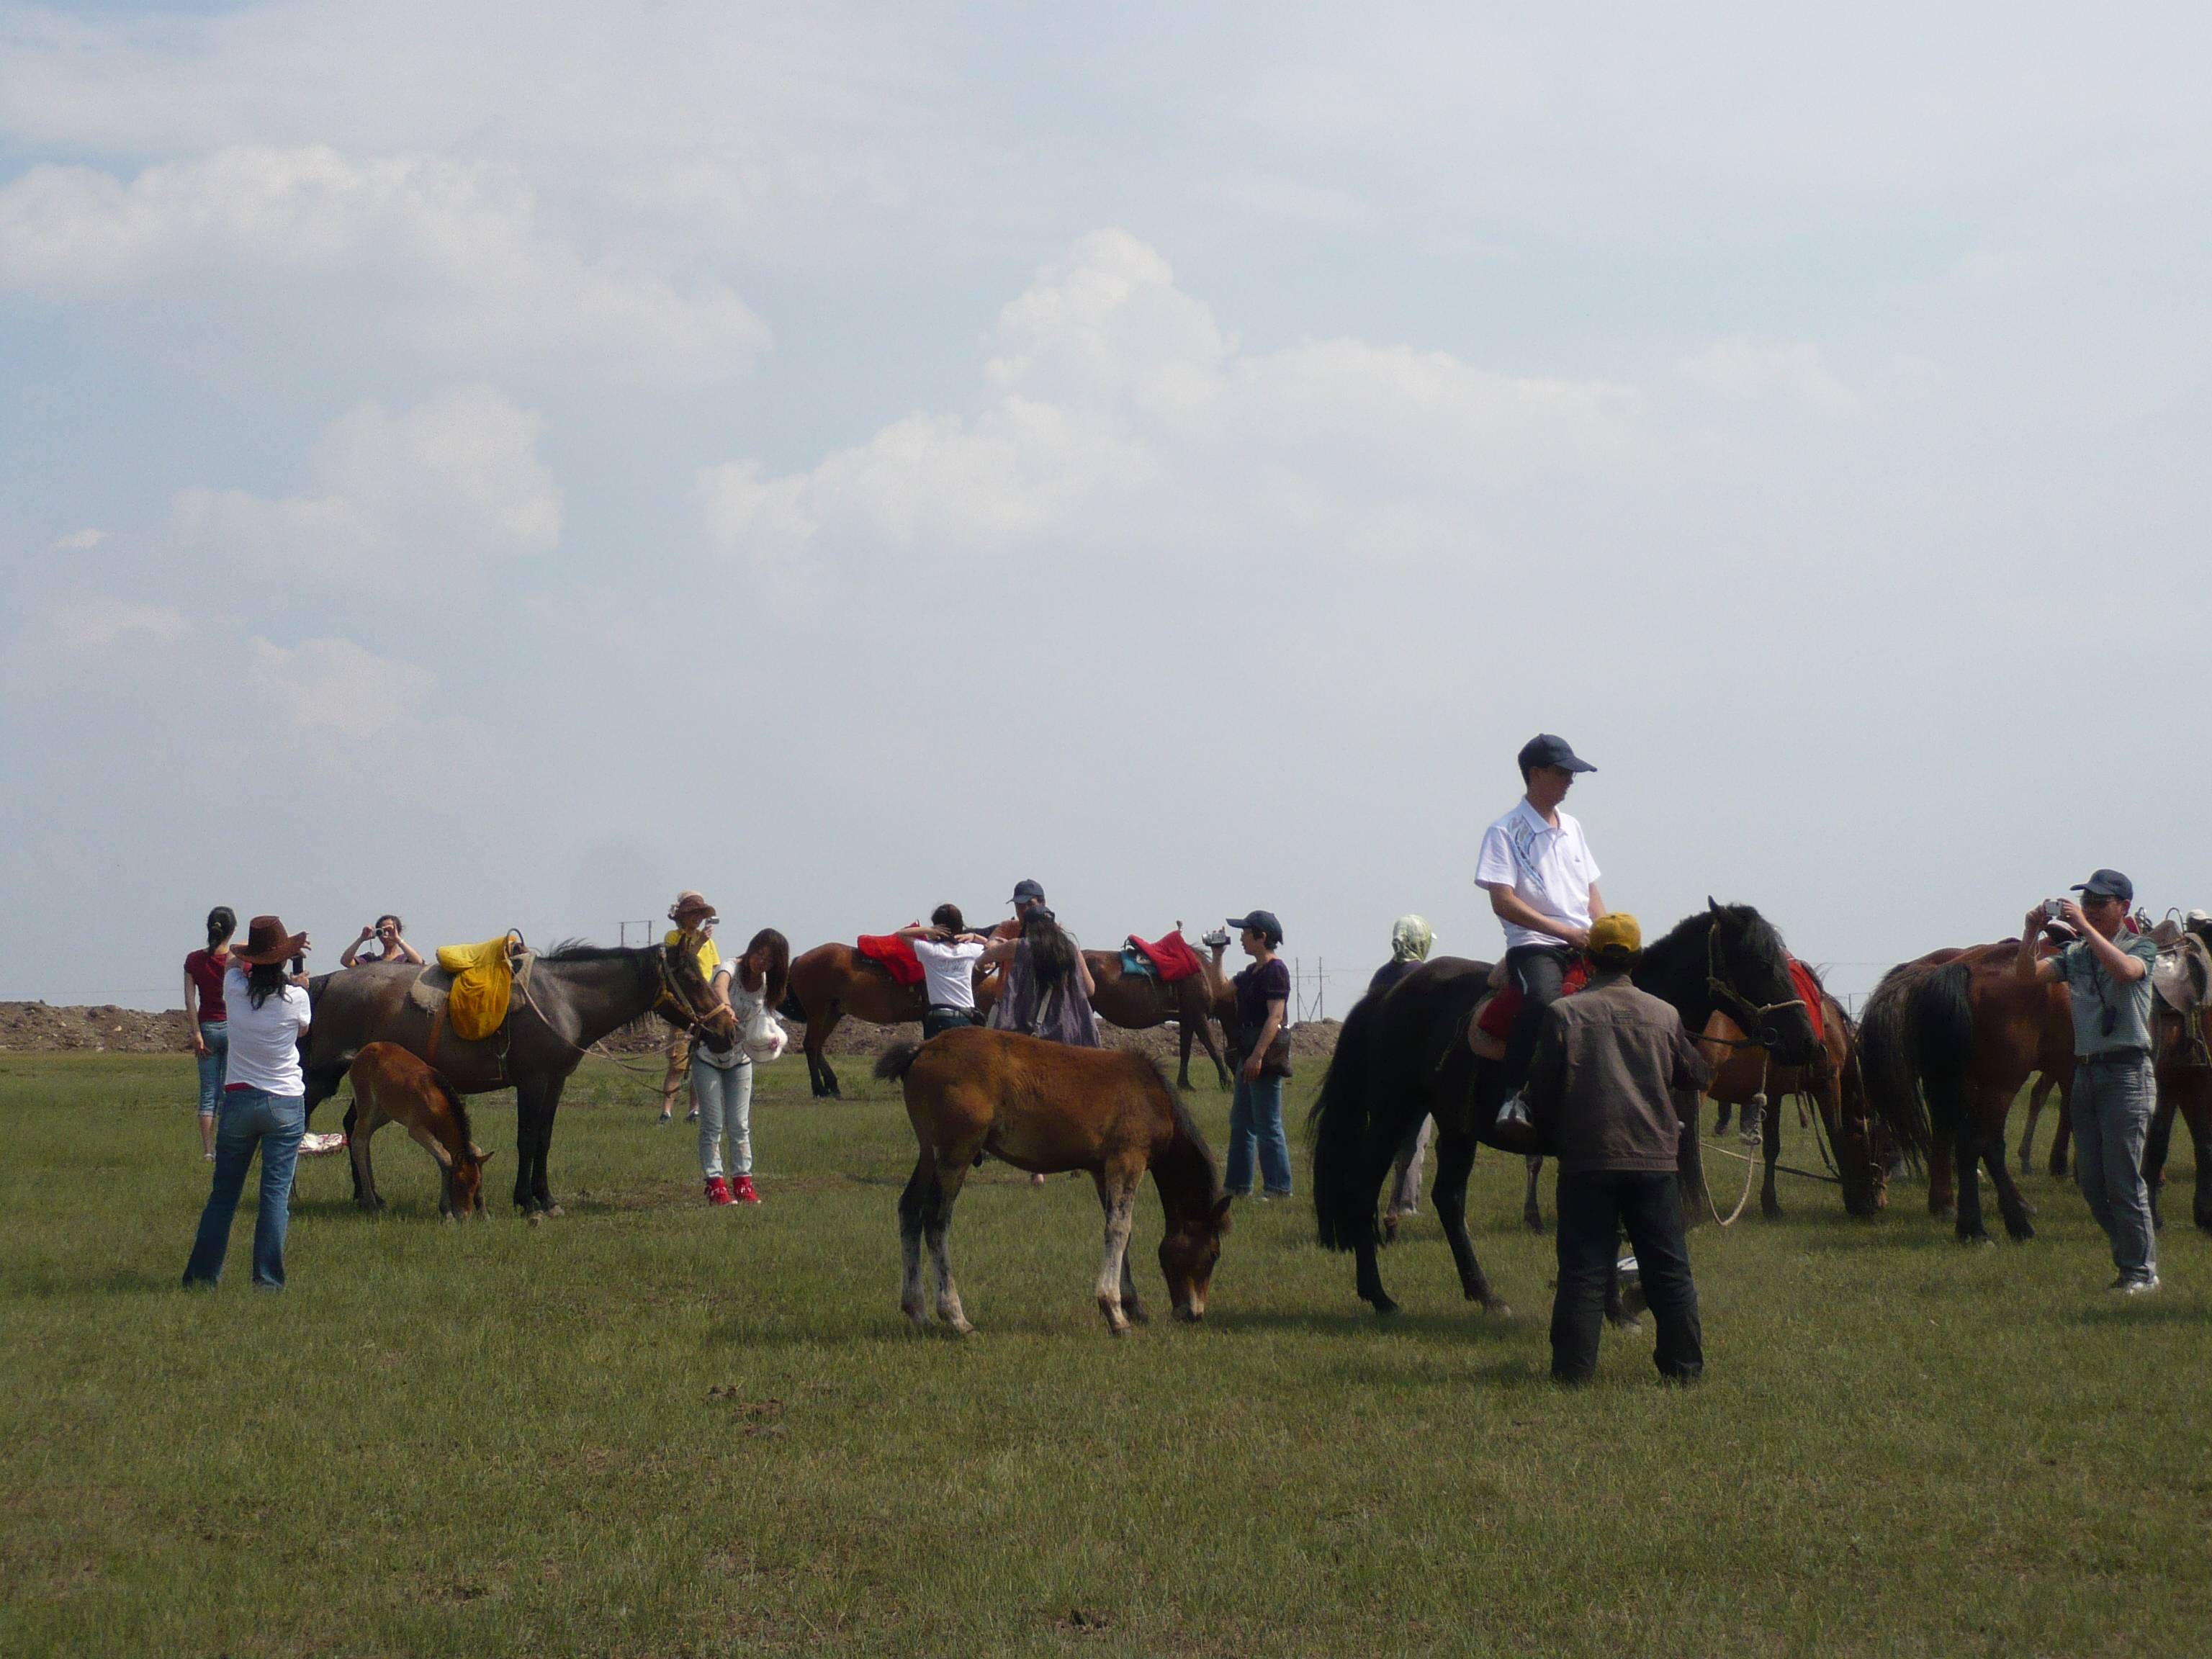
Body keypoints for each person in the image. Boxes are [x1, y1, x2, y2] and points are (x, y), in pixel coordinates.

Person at [1523, 912, 1709, 1383]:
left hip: (1586, 1162)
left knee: (1584, 1271)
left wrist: (1552, 1132)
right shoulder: (1664, 1015)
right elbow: (1698, 1075)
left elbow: (1540, 1094)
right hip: (1654, 1163)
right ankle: (1685, 1371)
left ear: (1587, 958)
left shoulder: (1562, 1014)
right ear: (1638, 959)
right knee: (1669, 1270)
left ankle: (1572, 1374)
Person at [2018, 869, 2162, 1293]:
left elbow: (2125, 972)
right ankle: (2130, 1259)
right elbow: (2027, 977)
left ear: (2124, 908)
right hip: (2087, 1072)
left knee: (2123, 1177)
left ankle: (2140, 1272)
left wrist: (2081, 926)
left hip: (2127, 1074)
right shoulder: (2077, 956)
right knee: (2093, 1181)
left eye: (2100, 902)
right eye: (2088, 902)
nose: (2092, 909)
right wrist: (2030, 933)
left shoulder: (2142, 946)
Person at [182, 916, 313, 1292]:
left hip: (239, 1099)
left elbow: (235, 962)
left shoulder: (235, 989)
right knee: (274, 1198)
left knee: (223, 1197)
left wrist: (250, 952)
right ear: (284, 961)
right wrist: (294, 980)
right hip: (285, 1102)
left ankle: (203, 1278)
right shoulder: (298, 999)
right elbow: (302, 1029)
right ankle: (267, 1281)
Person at [1475, 734, 1606, 1103]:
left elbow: (1591, 893)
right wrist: (1565, 931)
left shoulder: (1574, 828)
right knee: (1545, 1004)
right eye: (1563, 773)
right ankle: (1515, 1096)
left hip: (1584, 941)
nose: (1570, 781)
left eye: (1571, 774)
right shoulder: (1504, 831)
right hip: (1535, 946)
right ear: (1535, 774)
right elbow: (1503, 902)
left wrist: (1606, 933)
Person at [694, 928, 790, 1205]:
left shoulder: (765, 984)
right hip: (708, 1056)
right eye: (759, 954)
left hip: (740, 1060)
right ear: (751, 948)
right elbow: (719, 986)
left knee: (739, 1125)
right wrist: (725, 1007)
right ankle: (715, 1186)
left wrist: (771, 1039)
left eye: (769, 961)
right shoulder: (730, 968)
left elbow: (767, 1020)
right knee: (712, 1124)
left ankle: (743, 1183)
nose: (760, 962)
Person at [1223, 909, 1293, 1201]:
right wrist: (1218, 955)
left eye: (1246, 932)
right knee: (1241, 1123)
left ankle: (1279, 1188)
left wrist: (1258, 1056)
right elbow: (1220, 991)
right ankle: (1238, 1186)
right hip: (1247, 1052)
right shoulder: (1250, 973)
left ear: (1262, 938)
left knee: (1268, 1124)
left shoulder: (1276, 970)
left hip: (1262, 1055)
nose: (1241, 937)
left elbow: (1275, 1016)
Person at [1368, 915, 1434, 1226]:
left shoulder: (1381, 975)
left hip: (1382, 1070)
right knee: (1414, 1140)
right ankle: (1405, 1204)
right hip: (1416, 1070)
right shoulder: (1424, 975)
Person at [658, 891, 720, 1125]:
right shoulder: (673, 938)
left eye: (700, 914)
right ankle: (666, 1112)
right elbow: (680, 965)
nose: (697, 918)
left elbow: (711, 972)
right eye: (693, 914)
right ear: (682, 916)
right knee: (678, 1062)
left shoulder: (709, 942)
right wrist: (700, 942)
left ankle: (694, 1110)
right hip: (683, 1006)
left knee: (700, 1062)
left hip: (703, 1005)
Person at [183, 906, 236, 1161]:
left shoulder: (193, 960)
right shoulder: (237, 959)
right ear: (232, 930)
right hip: (233, 1028)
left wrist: (196, 1033)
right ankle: (227, 1147)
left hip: (206, 1028)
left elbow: (190, 1001)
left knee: (208, 1093)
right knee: (229, 1091)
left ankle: (208, 1150)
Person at [898, 905, 991, 1039]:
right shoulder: (971, 950)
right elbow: (993, 946)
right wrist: (974, 936)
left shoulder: (929, 950)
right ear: (960, 925)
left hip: (939, 1019)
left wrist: (929, 930)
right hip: (966, 1018)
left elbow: (901, 934)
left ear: (937, 926)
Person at [340, 914, 423, 968]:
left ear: (398, 931)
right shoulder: (371, 960)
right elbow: (345, 961)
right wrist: (361, 939)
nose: (386, 934)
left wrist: (397, 939)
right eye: (382, 931)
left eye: (390, 930)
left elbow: (419, 962)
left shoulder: (404, 959)